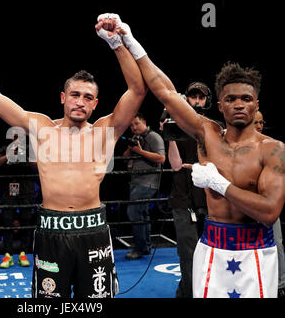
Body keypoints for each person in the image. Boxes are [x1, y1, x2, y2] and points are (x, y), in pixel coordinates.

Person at [0, 15, 147, 298]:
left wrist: (117, 43)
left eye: (87, 97)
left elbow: (137, 90)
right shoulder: (42, 128)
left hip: (93, 230)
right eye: (75, 94)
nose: (80, 101)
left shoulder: (104, 131)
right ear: (63, 98)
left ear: (95, 104)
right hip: (52, 231)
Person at [115, 18, 284, 297]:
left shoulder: (273, 149)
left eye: (246, 98)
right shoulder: (207, 133)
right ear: (220, 105)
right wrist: (129, 40)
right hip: (212, 248)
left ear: (256, 104)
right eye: (231, 99)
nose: (239, 104)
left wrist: (219, 184)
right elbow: (167, 93)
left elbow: (269, 212)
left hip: (256, 252)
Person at [160, 82, 210, 298]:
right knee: (188, 254)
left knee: (211, 252)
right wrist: (169, 136)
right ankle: (187, 293)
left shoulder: (213, 127)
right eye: (193, 97)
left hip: (209, 199)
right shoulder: (176, 126)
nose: (197, 101)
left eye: (201, 97)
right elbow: (175, 165)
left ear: (207, 100)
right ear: (187, 99)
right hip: (183, 200)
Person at [122, 112, 165, 259]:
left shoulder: (154, 136)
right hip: (136, 181)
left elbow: (161, 158)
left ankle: (140, 249)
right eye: (131, 125)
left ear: (144, 122)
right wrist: (131, 148)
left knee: (134, 212)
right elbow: (125, 157)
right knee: (141, 213)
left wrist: (140, 151)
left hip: (148, 182)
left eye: (136, 124)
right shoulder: (136, 138)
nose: (134, 127)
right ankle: (145, 247)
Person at [0, 134, 36, 269]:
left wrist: (24, 157)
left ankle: (23, 253)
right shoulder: (5, 149)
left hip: (26, 190)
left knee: (26, 221)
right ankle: (8, 254)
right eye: (14, 136)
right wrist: (8, 156)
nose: (16, 139)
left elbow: (37, 167)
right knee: (7, 221)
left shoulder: (29, 149)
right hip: (9, 190)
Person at [252, 110, 285, 297]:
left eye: (261, 122)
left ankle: (280, 284)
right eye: (255, 122)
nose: (258, 126)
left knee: (277, 243)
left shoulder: (273, 147)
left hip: (268, 203)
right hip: (247, 204)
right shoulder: (241, 146)